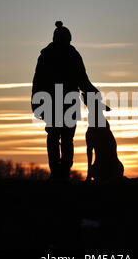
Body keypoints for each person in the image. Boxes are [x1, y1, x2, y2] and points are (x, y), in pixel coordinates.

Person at [31, 21, 99, 181]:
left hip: (60, 102)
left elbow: (82, 80)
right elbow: (39, 81)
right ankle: (59, 172)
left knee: (58, 137)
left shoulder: (51, 55)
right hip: (56, 102)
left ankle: (60, 172)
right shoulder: (63, 55)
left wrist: (94, 93)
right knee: (60, 137)